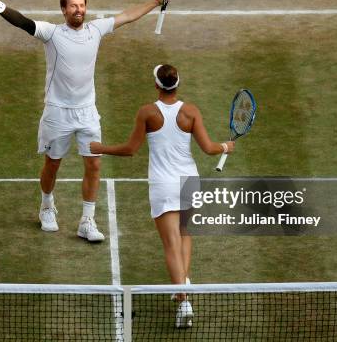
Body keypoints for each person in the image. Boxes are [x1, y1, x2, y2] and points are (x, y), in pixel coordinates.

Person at [0, 0, 167, 242]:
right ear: (64, 10)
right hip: (57, 113)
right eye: (73, 6)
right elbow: (22, 22)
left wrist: (155, 1)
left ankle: (87, 220)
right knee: (52, 164)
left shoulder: (96, 29)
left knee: (94, 164)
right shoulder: (52, 33)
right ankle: (47, 206)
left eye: (81, 5)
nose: (79, 10)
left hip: (87, 112)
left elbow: (127, 16)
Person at [90, 64, 234, 327]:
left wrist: (102, 148)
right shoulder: (190, 112)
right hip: (189, 181)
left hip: (163, 184)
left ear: (157, 85)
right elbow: (209, 148)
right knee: (185, 236)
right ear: (177, 84)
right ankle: (184, 289)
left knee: (170, 243)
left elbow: (130, 149)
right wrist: (226, 145)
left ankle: (184, 301)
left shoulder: (148, 113)